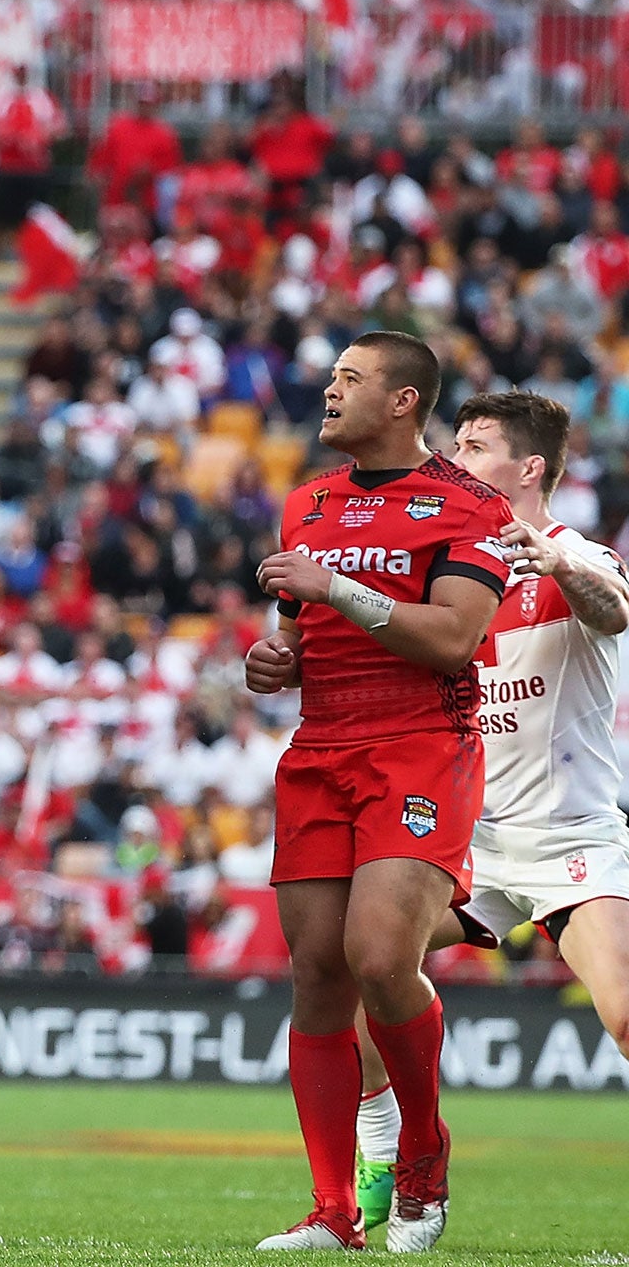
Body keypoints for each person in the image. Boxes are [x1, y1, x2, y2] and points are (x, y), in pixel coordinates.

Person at [245, 331, 515, 1252]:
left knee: (378, 956)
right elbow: (298, 623)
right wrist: (274, 657)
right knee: (316, 975)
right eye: (329, 376)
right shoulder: (306, 503)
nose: (328, 390)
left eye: (350, 380)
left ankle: (423, 1158)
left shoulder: (468, 505)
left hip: (420, 745)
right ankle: (332, 1210)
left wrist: (335, 588)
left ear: (405, 401)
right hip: (321, 746)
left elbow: (453, 640)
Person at [352, 392, 629, 1227]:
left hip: (570, 837)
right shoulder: (453, 567)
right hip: (470, 843)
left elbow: (613, 609)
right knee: (365, 970)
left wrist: (557, 566)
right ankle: (391, 1179)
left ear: (529, 467)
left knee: (625, 1015)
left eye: (474, 447)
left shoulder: (578, 553)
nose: (454, 458)